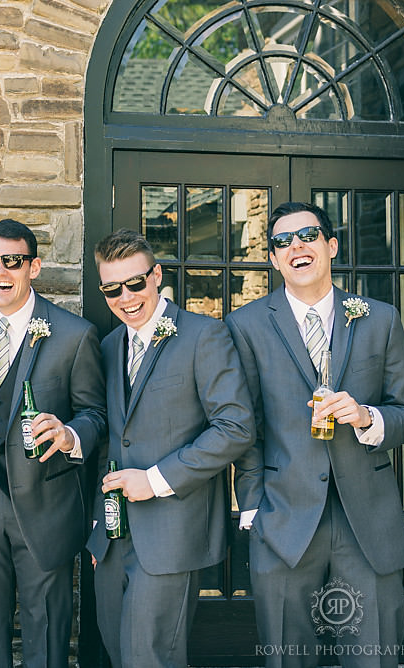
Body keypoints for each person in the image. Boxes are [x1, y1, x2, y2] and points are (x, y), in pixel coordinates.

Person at [226, 202, 404, 667]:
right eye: (282, 241)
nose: (296, 246)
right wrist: (254, 507)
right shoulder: (245, 325)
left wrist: (366, 416)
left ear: (330, 246)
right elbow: (242, 426)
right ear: (273, 259)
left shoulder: (381, 318)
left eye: (308, 235)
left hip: (367, 522)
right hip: (283, 520)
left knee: (374, 655)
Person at [87, 229, 255, 667]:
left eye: (135, 283)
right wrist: (95, 531)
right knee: (116, 650)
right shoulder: (107, 347)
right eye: (110, 288)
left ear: (156, 276)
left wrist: (156, 480)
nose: (125, 297)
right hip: (110, 535)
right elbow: (109, 434)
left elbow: (235, 427)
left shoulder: (204, 335)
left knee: (150, 657)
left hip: (172, 532)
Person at [0, 218, 105, 667]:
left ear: (33, 268)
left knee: (48, 631)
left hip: (46, 502)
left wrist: (70, 433)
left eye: (13, 261)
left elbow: (96, 414)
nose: (0, 272)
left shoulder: (74, 335)